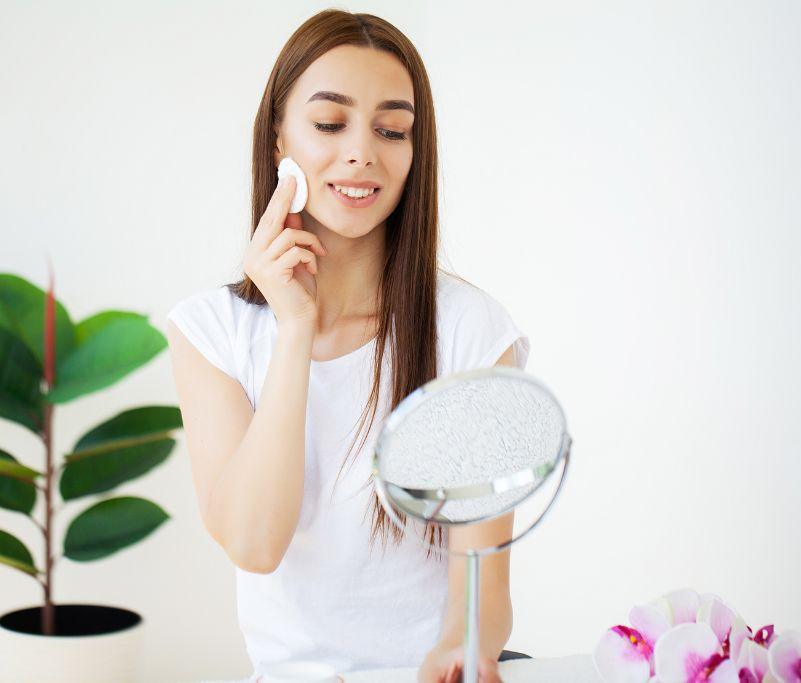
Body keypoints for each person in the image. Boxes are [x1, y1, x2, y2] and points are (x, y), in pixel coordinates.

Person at [166, 9, 529, 683]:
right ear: (279, 138)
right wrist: (295, 327)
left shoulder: (472, 332)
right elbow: (254, 541)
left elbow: (484, 586)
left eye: (392, 129)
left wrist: (462, 646)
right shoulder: (210, 332)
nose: (363, 151)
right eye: (330, 123)